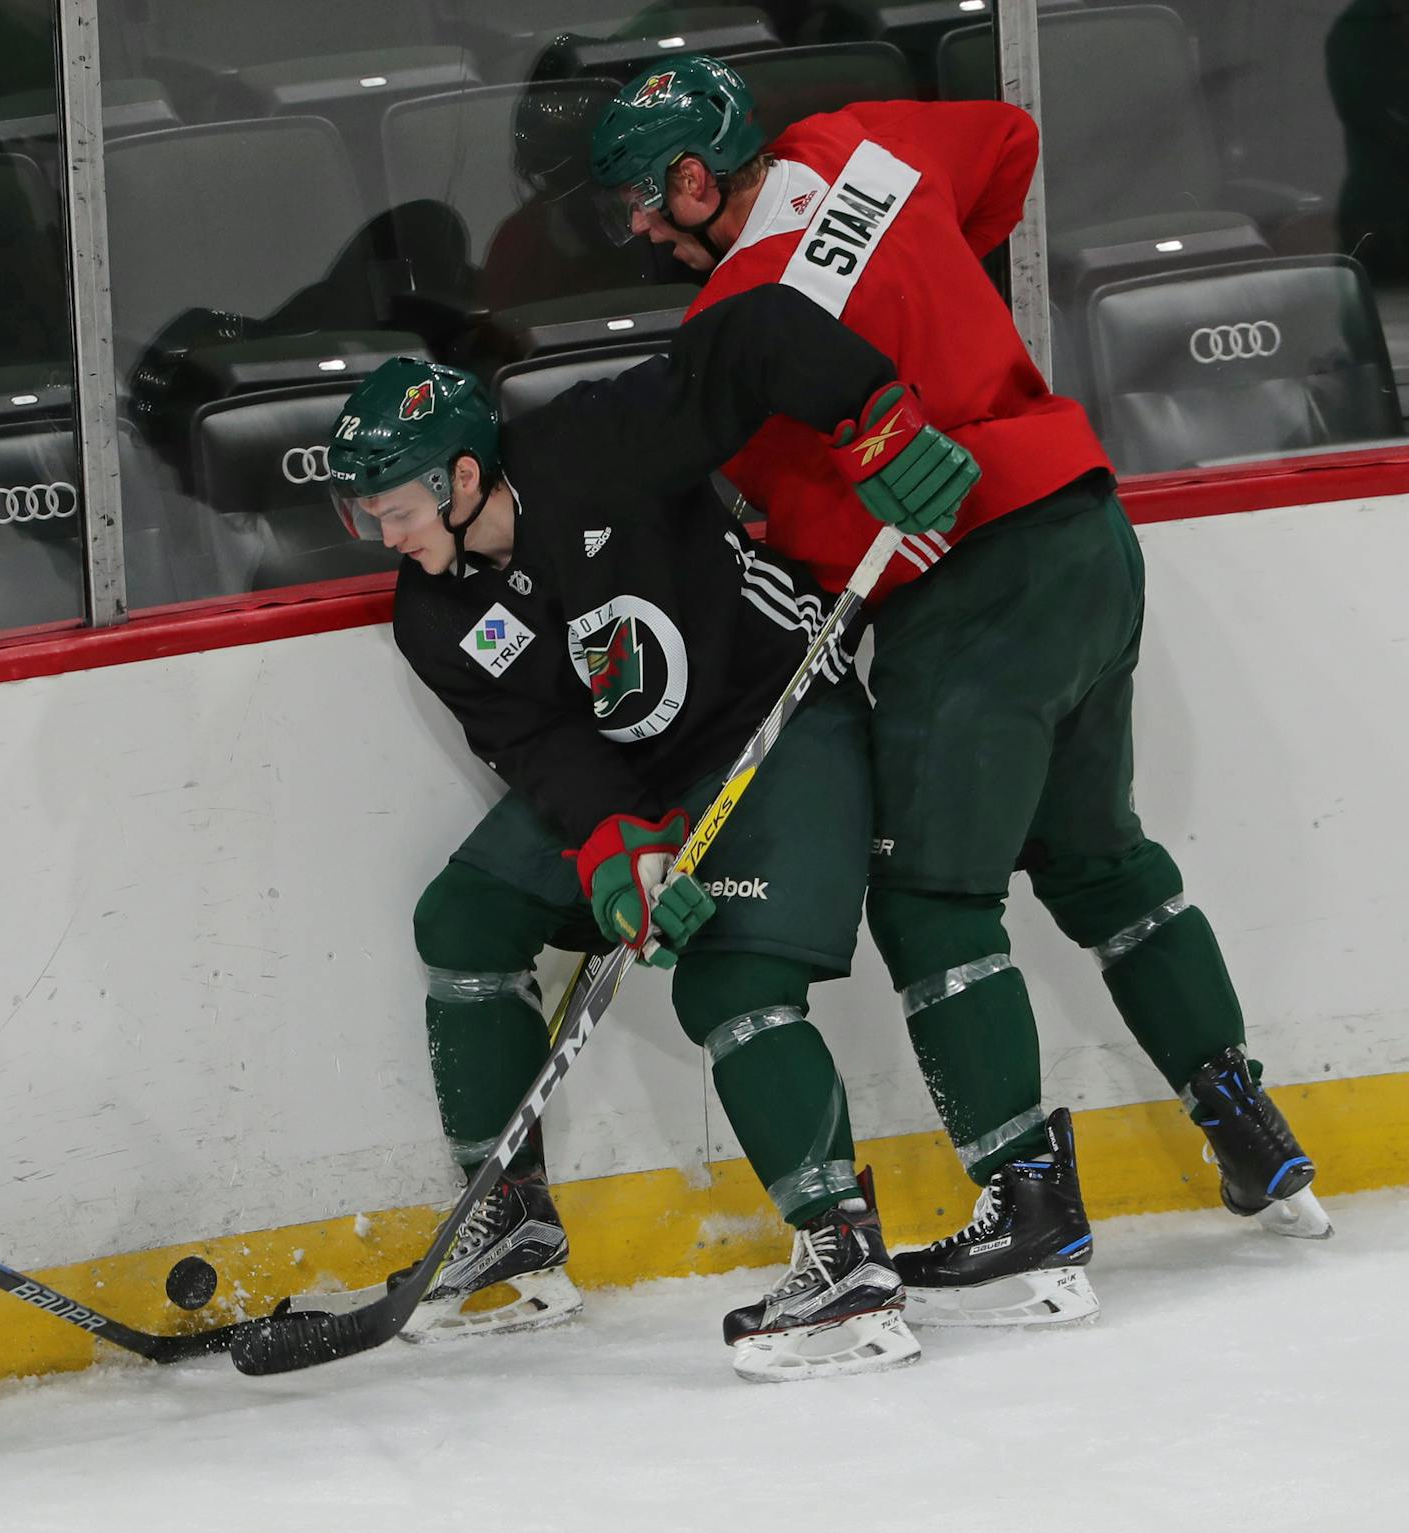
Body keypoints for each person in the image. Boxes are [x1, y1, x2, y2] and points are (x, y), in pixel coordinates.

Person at [587, 58, 1331, 1332]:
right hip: (1086, 529)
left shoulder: (741, 314)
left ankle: (1026, 1191)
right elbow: (1010, 138)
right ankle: (1249, 1126)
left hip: (977, 587)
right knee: (1098, 858)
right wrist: (934, 284)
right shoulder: (861, 141)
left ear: (699, 176)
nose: (642, 227)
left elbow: (807, 512)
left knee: (932, 896)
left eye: (644, 200)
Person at [316, 278, 965, 1379]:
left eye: (395, 507)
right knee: (464, 913)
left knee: (729, 983)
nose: (383, 532)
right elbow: (539, 744)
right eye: (366, 513)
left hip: (778, 718)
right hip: (641, 774)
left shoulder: (596, 443)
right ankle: (511, 1213)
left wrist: (875, 417)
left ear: (464, 475)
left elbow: (757, 335)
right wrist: (613, 837)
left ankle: (844, 1259)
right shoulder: (432, 613)